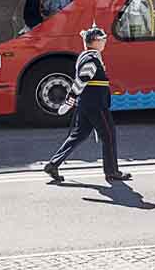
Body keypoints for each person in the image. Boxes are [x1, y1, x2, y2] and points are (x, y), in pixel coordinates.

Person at [43, 27, 131, 183]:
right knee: (109, 135)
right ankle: (112, 172)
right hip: (95, 104)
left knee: (79, 135)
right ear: (95, 41)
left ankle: (53, 164)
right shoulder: (91, 59)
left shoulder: (88, 57)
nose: (104, 42)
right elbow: (81, 81)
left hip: (88, 103)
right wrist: (69, 101)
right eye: (102, 39)